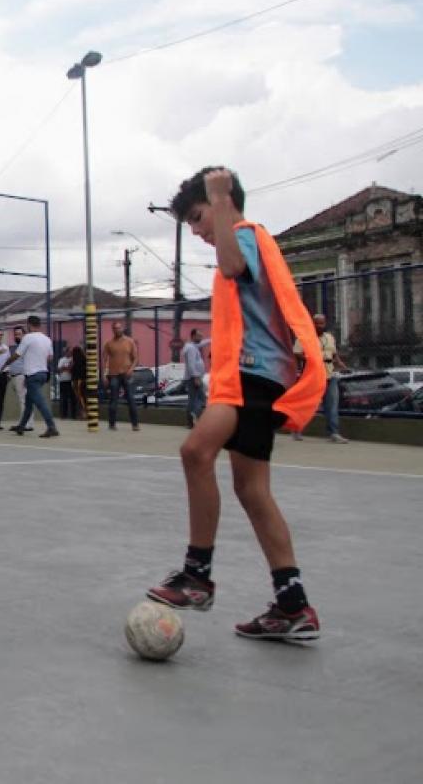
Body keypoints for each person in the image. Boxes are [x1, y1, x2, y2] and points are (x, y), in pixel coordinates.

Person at [147, 167, 325, 641]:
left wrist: (222, 203)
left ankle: (197, 575)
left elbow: (230, 266)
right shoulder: (249, 240)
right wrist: (217, 207)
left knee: (195, 452)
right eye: (190, 224)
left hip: (251, 375)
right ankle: (292, 604)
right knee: (252, 491)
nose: (197, 230)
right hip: (260, 379)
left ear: (221, 206)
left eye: (198, 217)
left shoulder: (244, 237)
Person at [292, 313, 348, 444]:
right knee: (307, 404)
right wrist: (310, 360)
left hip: (329, 375)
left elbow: (334, 353)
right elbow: (297, 353)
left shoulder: (330, 337)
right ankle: (297, 429)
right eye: (317, 323)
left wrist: (339, 363)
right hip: (312, 376)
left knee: (332, 405)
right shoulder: (304, 337)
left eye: (322, 323)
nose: (319, 326)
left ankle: (334, 433)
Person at [3, 315, 58, 437]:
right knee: (28, 403)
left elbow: (17, 354)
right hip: (43, 373)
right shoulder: (47, 339)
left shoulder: (28, 337)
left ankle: (51, 427)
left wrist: (6, 363)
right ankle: (21, 426)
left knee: (40, 403)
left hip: (32, 375)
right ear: (39, 325)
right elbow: (50, 357)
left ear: (29, 325)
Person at [102, 320, 140, 431]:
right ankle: (112, 424)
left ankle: (135, 424)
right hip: (113, 375)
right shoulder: (109, 343)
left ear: (122, 329)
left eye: (119, 328)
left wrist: (131, 370)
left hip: (126, 374)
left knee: (131, 399)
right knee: (113, 400)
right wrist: (104, 374)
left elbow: (136, 358)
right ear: (112, 330)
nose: (117, 330)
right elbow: (104, 359)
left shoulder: (130, 342)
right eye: (115, 328)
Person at [183, 328, 209, 427]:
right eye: (199, 336)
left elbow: (203, 343)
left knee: (195, 399)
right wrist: (196, 377)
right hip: (194, 378)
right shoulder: (190, 348)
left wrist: (213, 339)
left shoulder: (193, 346)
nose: (201, 337)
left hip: (195, 377)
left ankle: (191, 421)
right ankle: (194, 414)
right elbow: (191, 364)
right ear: (193, 336)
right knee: (199, 399)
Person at [4, 326, 26, 415]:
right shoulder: (14, 348)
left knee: (23, 400)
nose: (17, 336)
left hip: (21, 376)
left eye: (19, 334)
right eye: (15, 334)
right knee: (22, 400)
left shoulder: (26, 347)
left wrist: (26, 377)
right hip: (14, 377)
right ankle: (24, 422)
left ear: (24, 335)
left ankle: (26, 424)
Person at [70, 345, 88, 419]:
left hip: (78, 381)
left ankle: (83, 413)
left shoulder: (75, 363)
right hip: (84, 380)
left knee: (80, 398)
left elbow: (73, 372)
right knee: (84, 398)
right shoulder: (85, 360)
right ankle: (85, 413)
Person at [56, 347, 75, 419]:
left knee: (73, 398)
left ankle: (73, 415)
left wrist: (64, 368)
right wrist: (66, 368)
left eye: (70, 352)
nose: (69, 353)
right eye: (68, 352)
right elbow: (59, 369)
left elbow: (71, 369)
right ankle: (64, 415)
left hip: (71, 381)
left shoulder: (73, 359)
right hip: (63, 380)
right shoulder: (61, 360)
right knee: (64, 398)